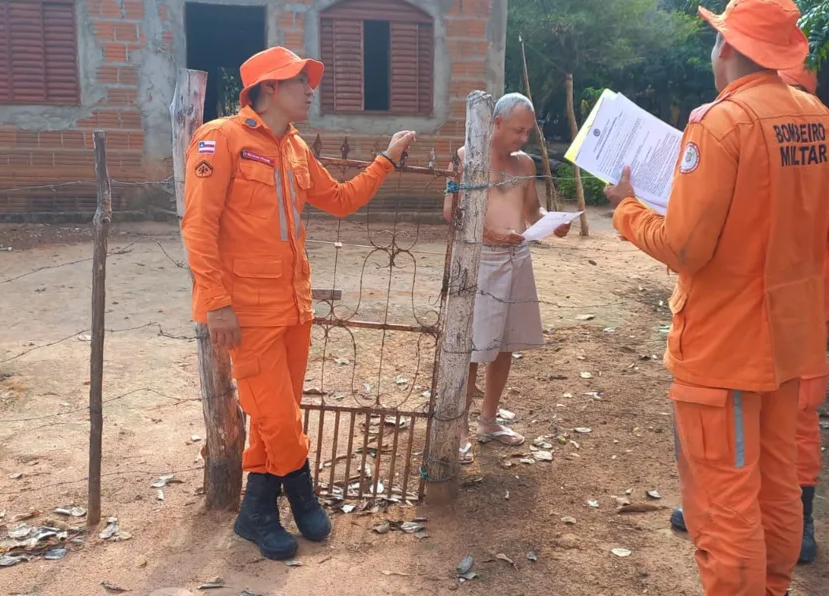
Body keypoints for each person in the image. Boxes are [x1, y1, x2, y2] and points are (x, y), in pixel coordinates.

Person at [604, 0, 829, 596]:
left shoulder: (720, 123)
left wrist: (628, 208)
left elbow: (686, 246)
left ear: (727, 49)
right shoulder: (815, 117)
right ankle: (775, 590)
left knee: (722, 500)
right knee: (777, 483)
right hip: (787, 340)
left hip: (726, 347)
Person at [180, 46, 416, 561]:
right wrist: (216, 303)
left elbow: (340, 199)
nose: (310, 89)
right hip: (245, 312)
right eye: (298, 81)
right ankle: (302, 494)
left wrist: (385, 160)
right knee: (280, 417)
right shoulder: (221, 139)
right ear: (266, 90)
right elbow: (198, 226)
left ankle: (255, 514)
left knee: (272, 416)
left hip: (293, 305)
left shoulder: (293, 148)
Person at [667, 64, 829, 566]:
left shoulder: (752, 132)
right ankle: (777, 535)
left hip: (761, 320)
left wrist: (813, 284)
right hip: (785, 313)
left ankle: (786, 524)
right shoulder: (814, 139)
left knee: (777, 430)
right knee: (774, 432)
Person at [443, 92, 569, 463]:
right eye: (517, 130)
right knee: (471, 346)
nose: (522, 138)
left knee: (504, 345)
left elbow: (531, 209)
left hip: (517, 257)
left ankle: (489, 420)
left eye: (527, 131)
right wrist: (490, 233)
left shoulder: (524, 164)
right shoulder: (467, 158)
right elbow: (450, 211)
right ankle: (460, 426)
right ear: (495, 123)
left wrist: (551, 222)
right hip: (480, 260)